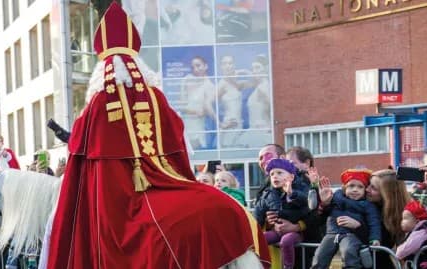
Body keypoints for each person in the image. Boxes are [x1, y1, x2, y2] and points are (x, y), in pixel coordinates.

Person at [45, 4, 267, 268]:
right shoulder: (157, 97)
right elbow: (180, 149)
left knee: (89, 233)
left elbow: (80, 166)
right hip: (165, 182)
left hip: (117, 203)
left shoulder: (96, 105)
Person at [313, 169, 382, 269]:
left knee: (349, 252)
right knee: (319, 256)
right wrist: (325, 203)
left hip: (351, 235)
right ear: (344, 188)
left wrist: (375, 238)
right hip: (331, 233)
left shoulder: (368, 205)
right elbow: (324, 213)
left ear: (365, 190)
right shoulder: (336, 198)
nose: (355, 189)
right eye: (351, 186)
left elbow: (374, 223)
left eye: (360, 187)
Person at [255, 159, 308, 269]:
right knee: (259, 239)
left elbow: (306, 205)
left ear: (291, 177)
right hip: (277, 231)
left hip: (295, 233)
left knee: (286, 241)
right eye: (272, 174)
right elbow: (258, 213)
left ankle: (287, 266)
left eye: (279, 173)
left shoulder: (299, 190)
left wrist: (291, 194)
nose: (275, 176)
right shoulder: (268, 194)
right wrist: (259, 225)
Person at [181, 55, 218, 150]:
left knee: (194, 150)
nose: (196, 69)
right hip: (186, 122)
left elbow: (207, 109)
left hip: (197, 126)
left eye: (198, 65)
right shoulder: (187, 80)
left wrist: (199, 112)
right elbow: (181, 104)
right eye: (193, 67)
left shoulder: (209, 85)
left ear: (206, 66)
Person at [395, 200, 427, 264]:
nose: (402, 221)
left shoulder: (420, 232)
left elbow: (408, 247)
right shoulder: (420, 229)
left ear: (417, 221)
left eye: (405, 218)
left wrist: (398, 253)